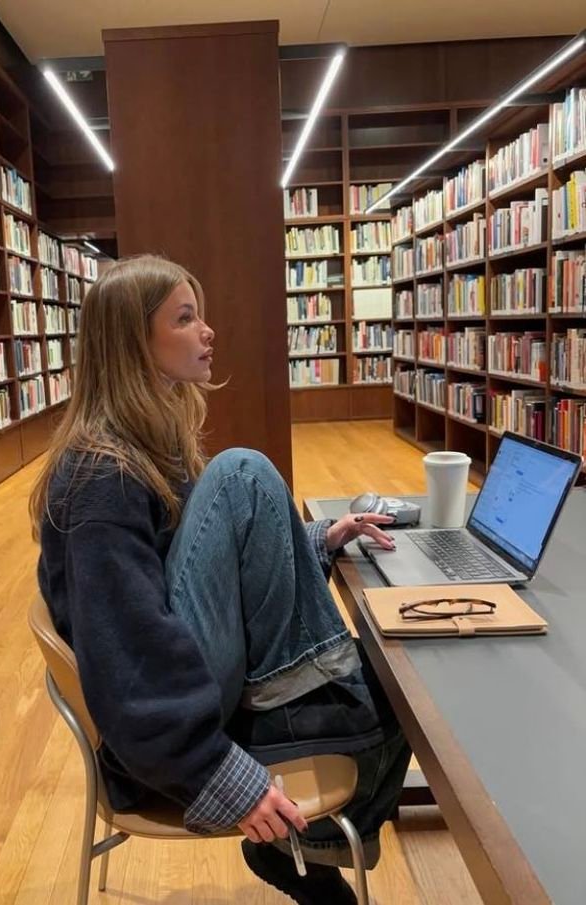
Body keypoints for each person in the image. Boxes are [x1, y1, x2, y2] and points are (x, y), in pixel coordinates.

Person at [31, 254, 411, 905]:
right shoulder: (101, 475)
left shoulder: (140, 443)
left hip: (177, 698)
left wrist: (315, 539)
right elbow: (125, 650)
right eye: (185, 318)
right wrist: (217, 771)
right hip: (155, 738)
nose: (207, 331)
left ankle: (307, 844)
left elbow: (196, 562)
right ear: (132, 345)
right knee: (240, 474)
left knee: (399, 683)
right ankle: (304, 834)